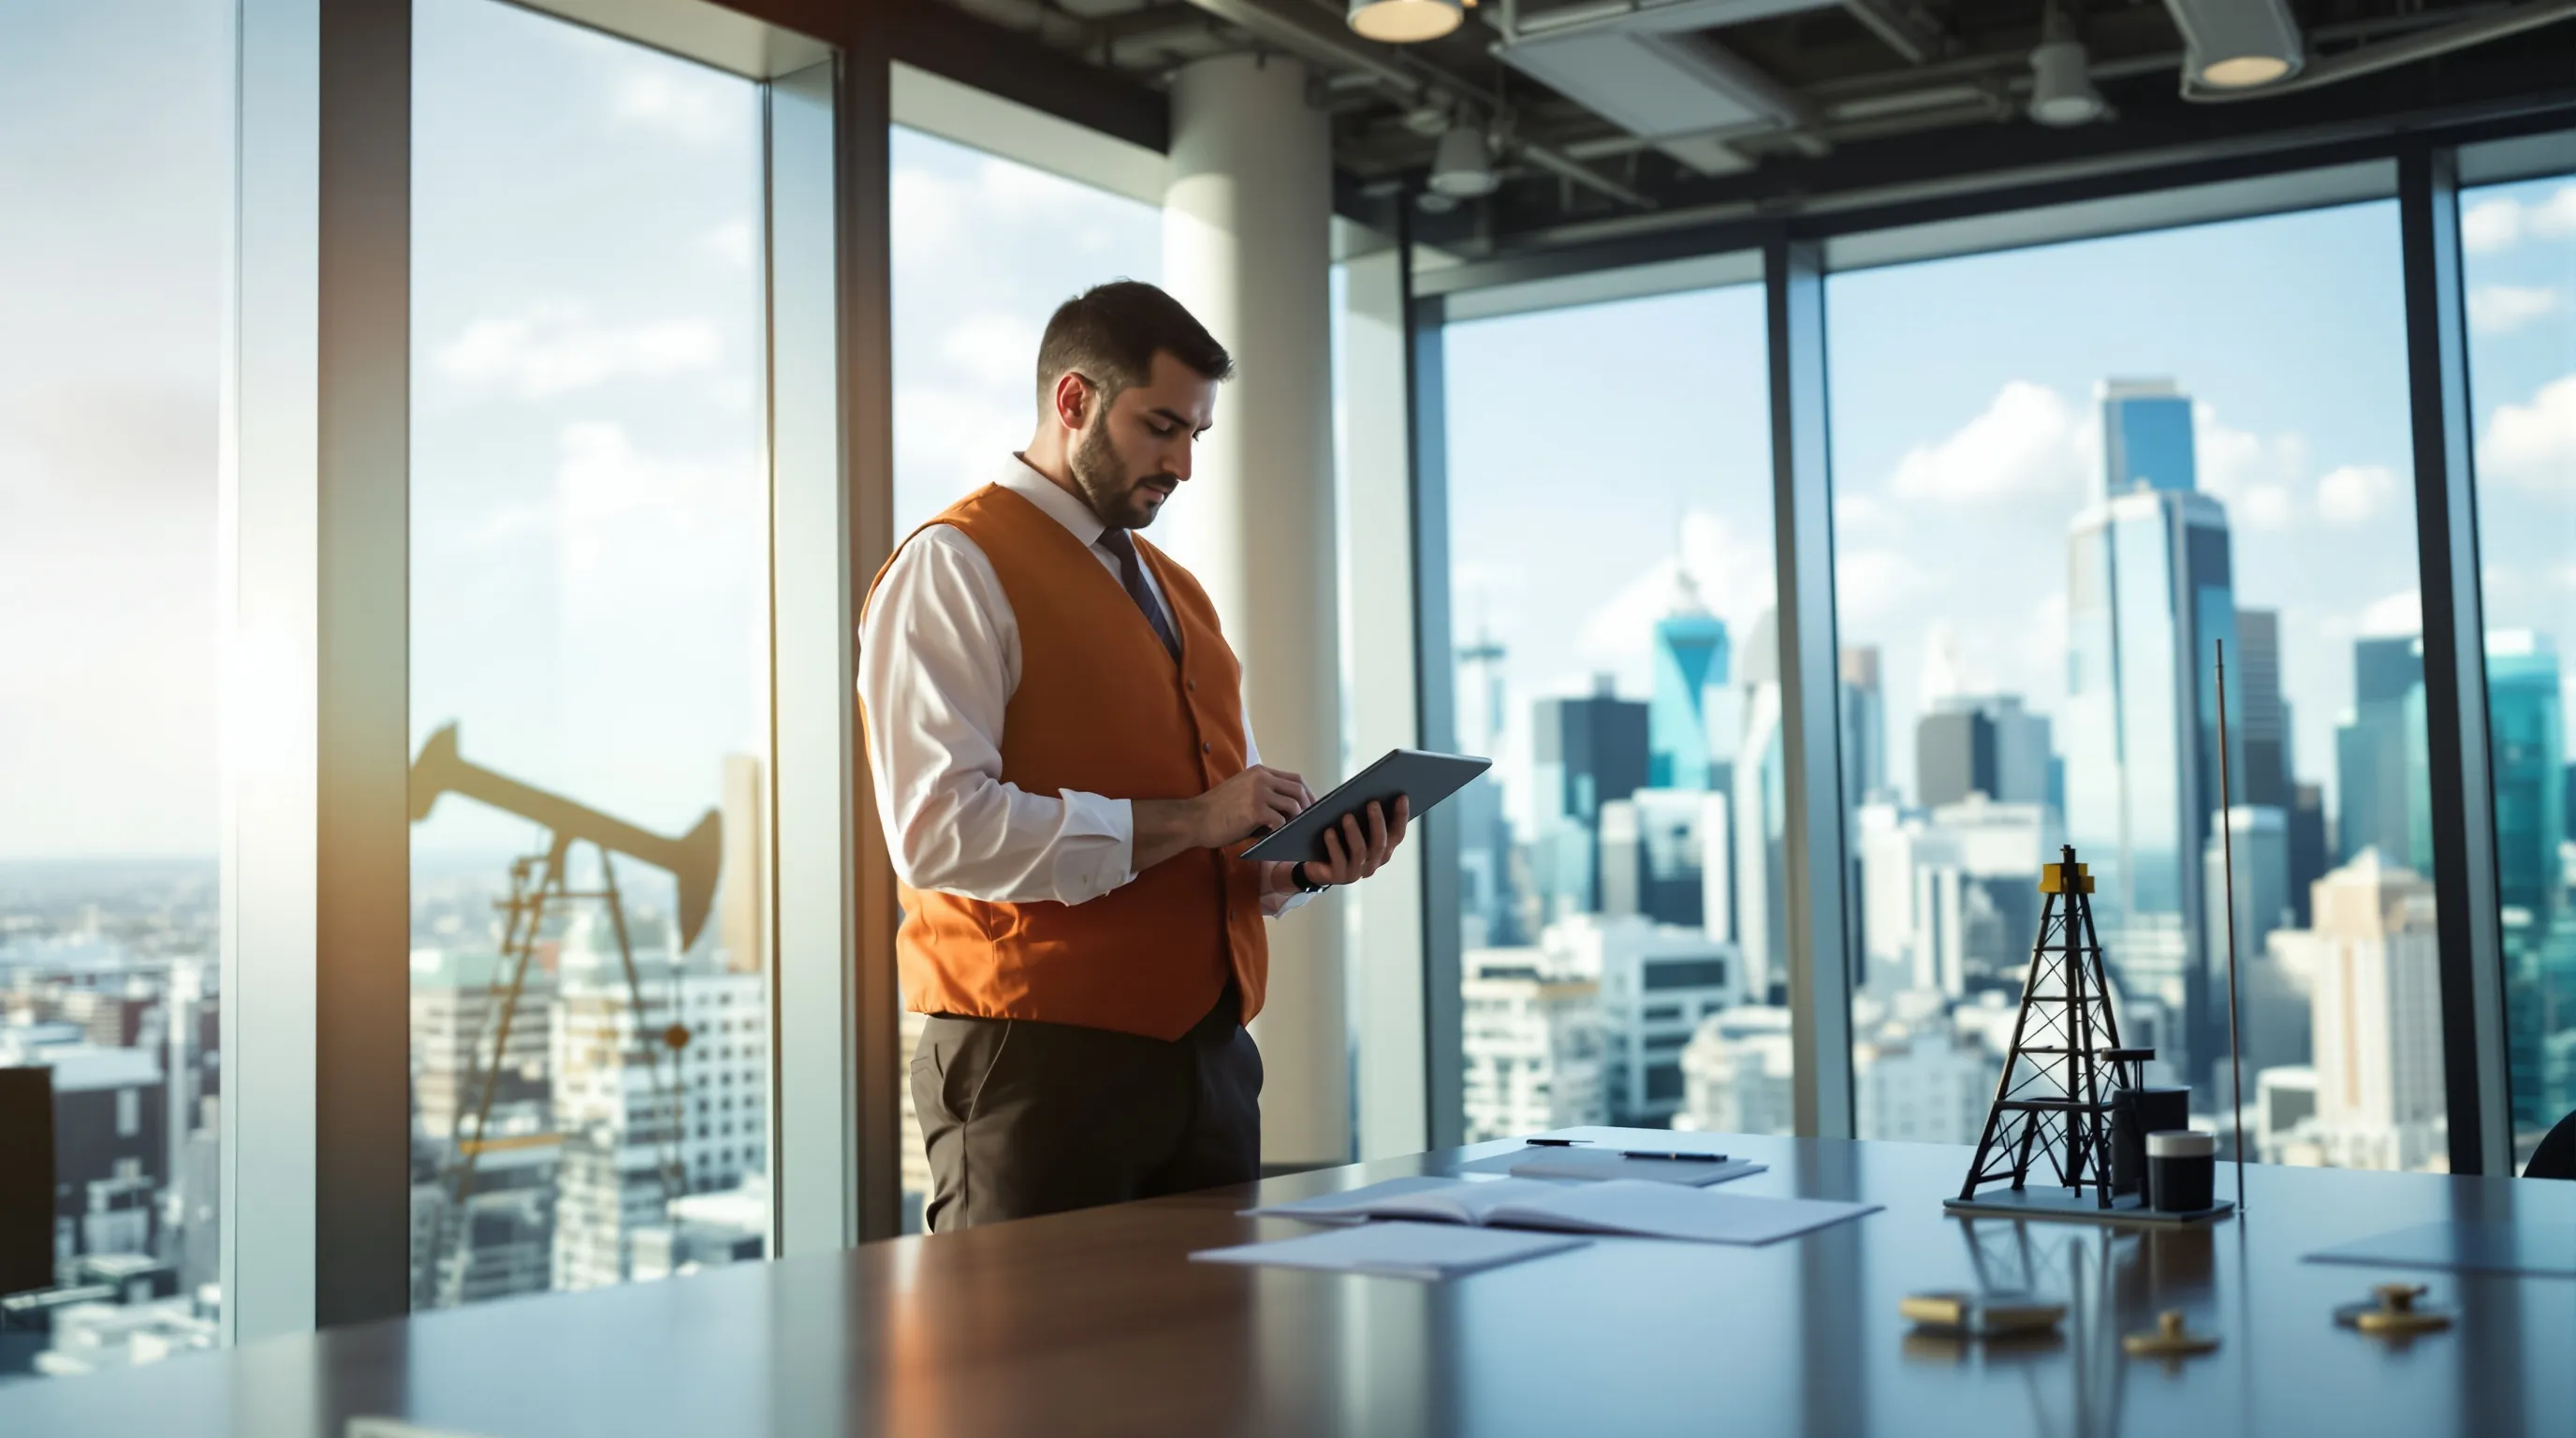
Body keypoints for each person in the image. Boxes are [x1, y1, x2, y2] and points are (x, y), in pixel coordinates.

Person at [859, 280, 1409, 1232]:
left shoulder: (1175, 588)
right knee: (1022, 1373)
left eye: (1197, 433)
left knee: (1210, 1371)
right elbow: (938, 833)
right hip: (1032, 1068)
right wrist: (1199, 819)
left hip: (1211, 1065)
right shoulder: (954, 564)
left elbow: (1202, 830)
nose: (1184, 464)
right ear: (1073, 401)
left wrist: (1294, 865)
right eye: (1163, 427)